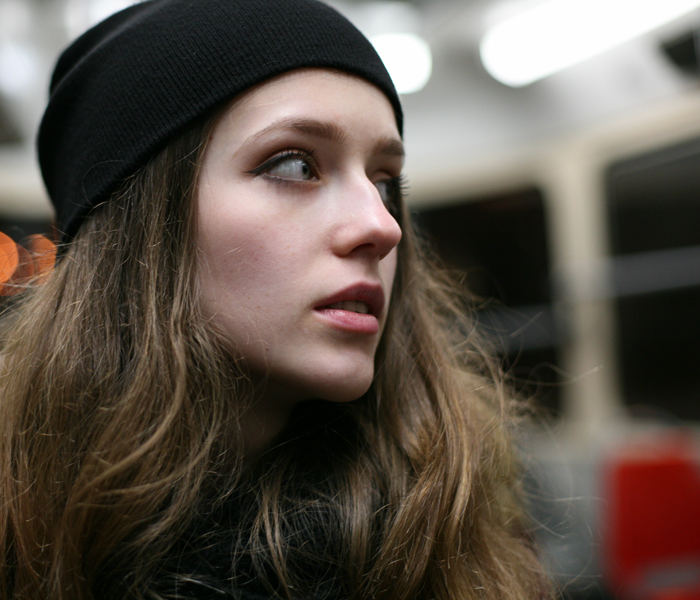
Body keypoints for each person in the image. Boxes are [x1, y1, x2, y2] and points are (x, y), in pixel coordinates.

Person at [0, 1, 550, 598]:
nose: (383, 225)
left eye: (386, 181)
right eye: (294, 164)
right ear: (140, 229)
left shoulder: (457, 533)